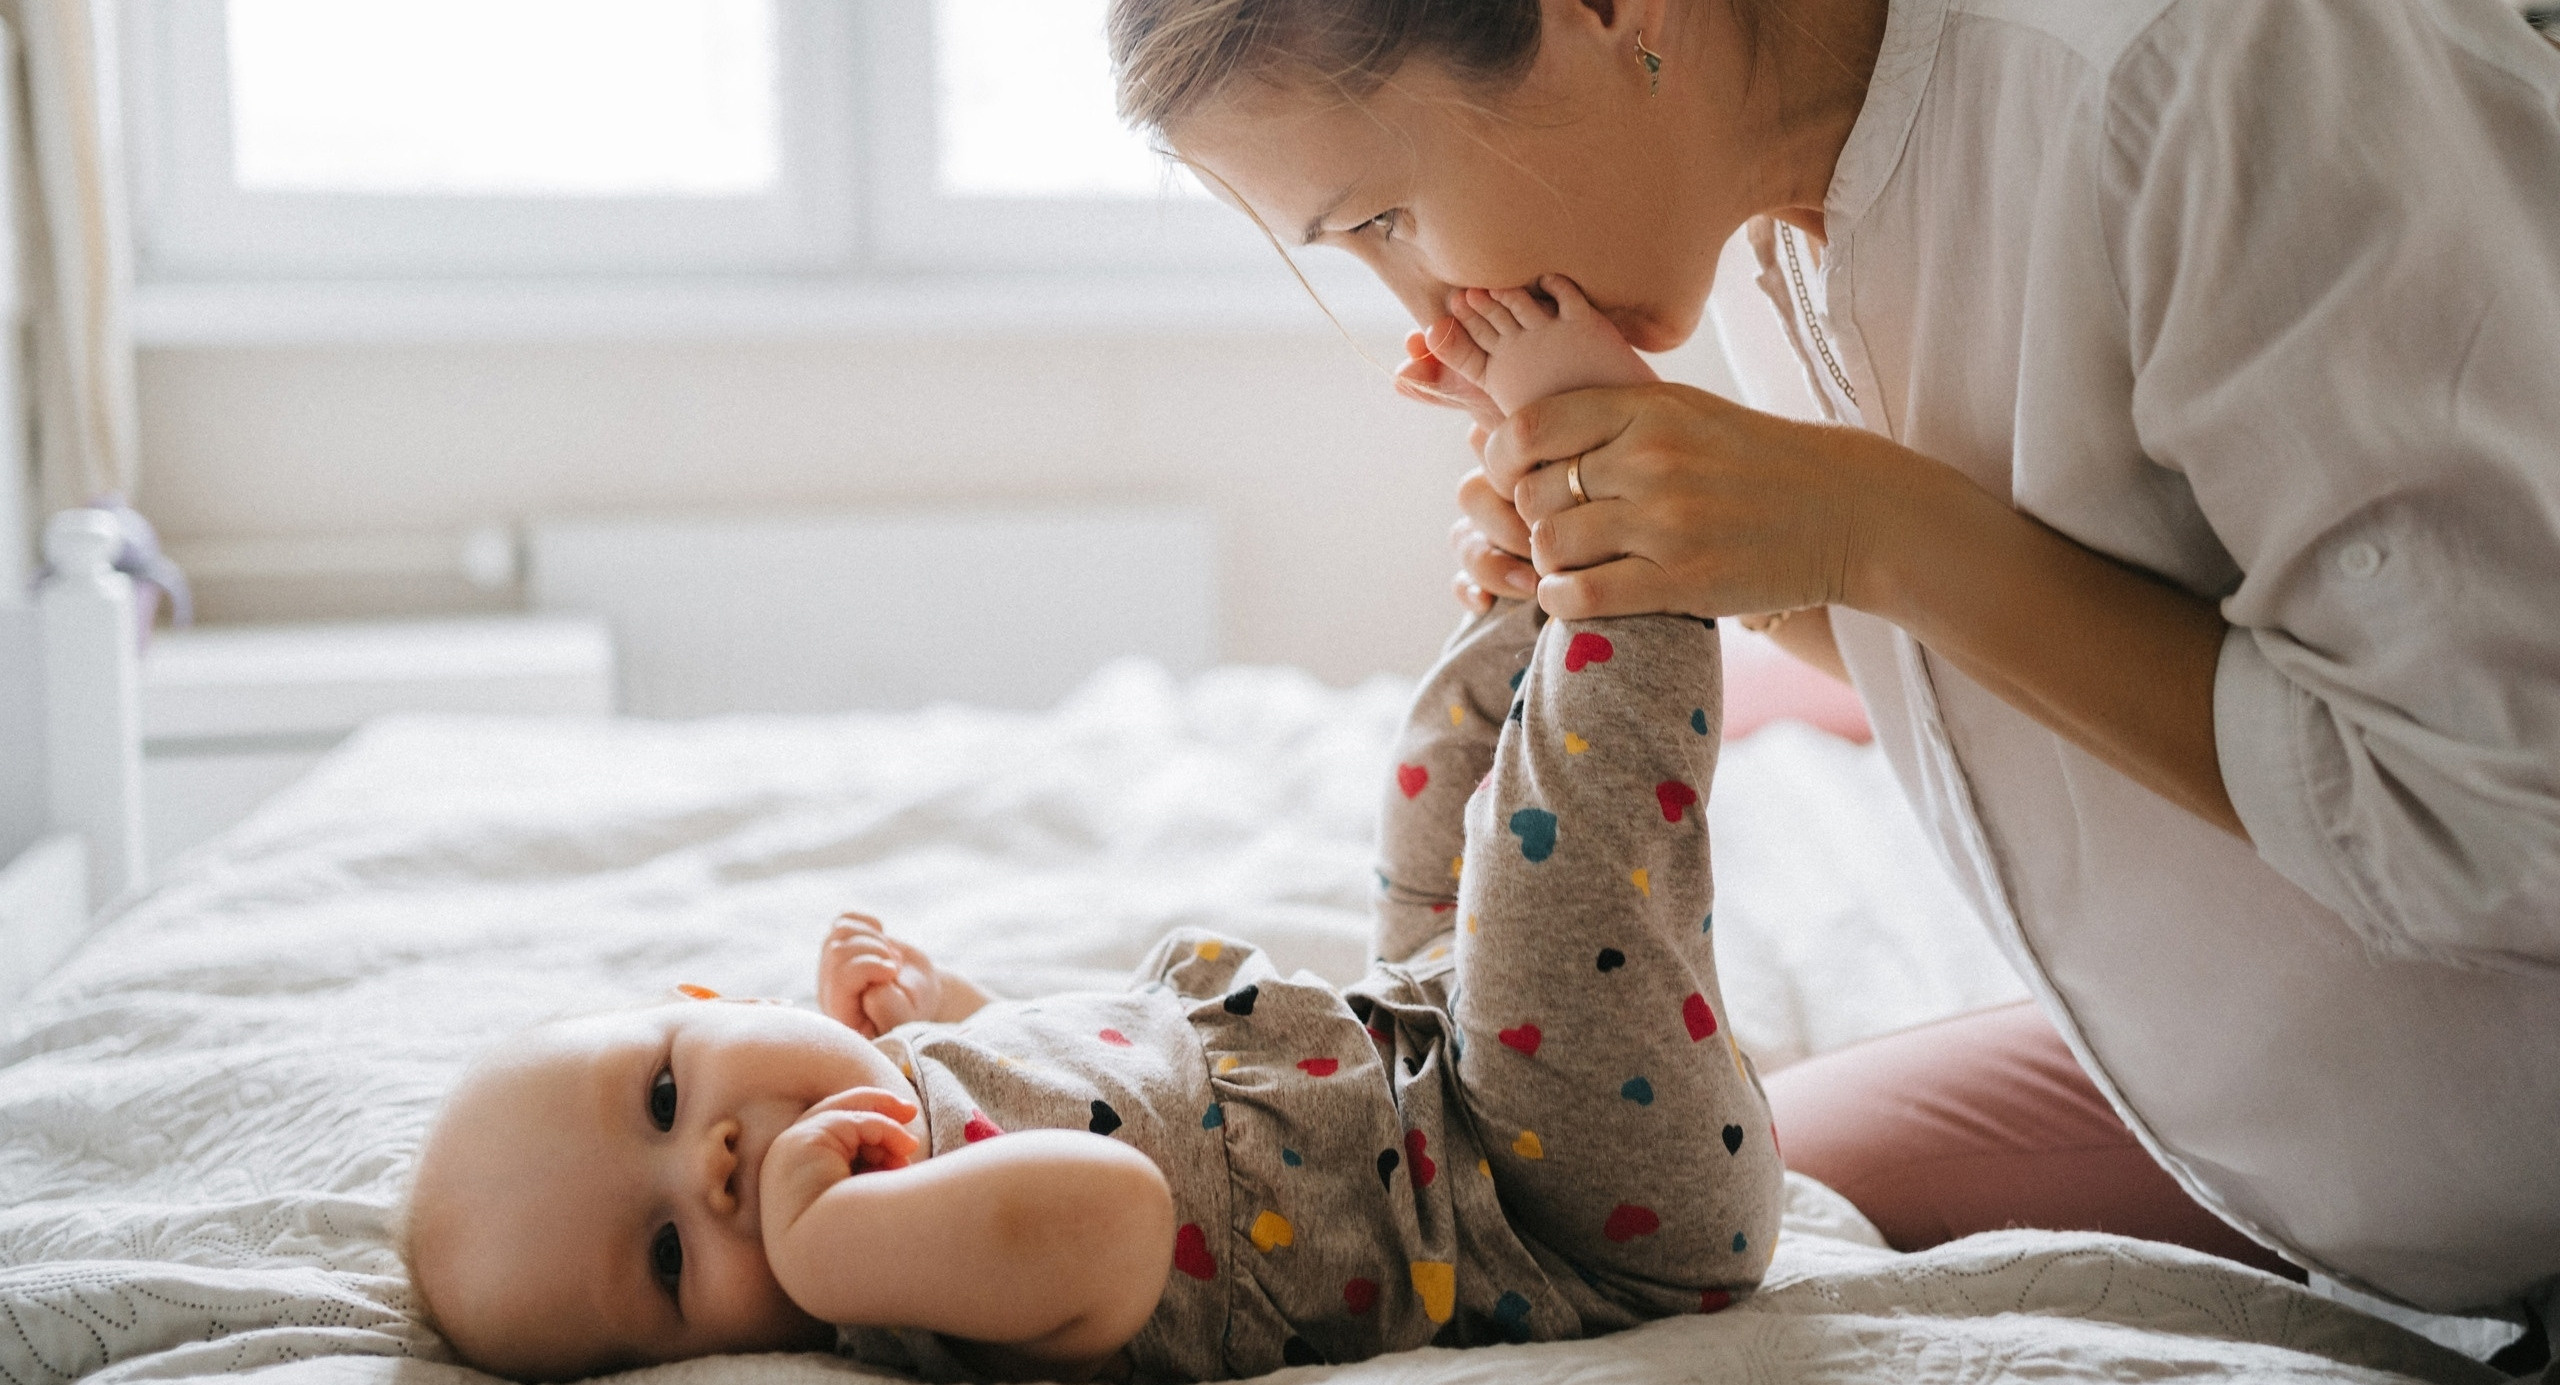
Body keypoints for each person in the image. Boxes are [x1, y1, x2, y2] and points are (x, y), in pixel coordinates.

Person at [1108, 0, 2560, 1346]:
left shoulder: (2196, 69)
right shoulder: (1755, 178)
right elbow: (1971, 664)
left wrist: (1869, 525)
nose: (1419, 309)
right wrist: (1696, 527)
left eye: (1386, 218)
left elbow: (2498, 818)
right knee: (1656, 1210)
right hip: (2226, 1090)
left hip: (2502, 1116)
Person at [401, 293, 1783, 1383]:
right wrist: (833, 1247)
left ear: (713, 1003)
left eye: (661, 1095)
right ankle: (1630, 522)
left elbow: (1098, 1082)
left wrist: (945, 1007)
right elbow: (1115, 1209)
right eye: (664, 1257)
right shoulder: (915, 1293)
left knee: (1433, 791)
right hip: (1579, 1203)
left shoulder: (900, 1094)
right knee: (1561, 869)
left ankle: (1530, 593)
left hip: (1430, 1042)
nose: (707, 1169)